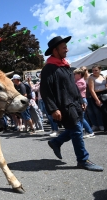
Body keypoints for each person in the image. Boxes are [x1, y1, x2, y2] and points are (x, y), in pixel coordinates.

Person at [40, 35, 103, 171]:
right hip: (64, 106)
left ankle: (56, 142)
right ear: (55, 50)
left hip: (75, 103)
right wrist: (53, 109)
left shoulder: (66, 66)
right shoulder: (49, 68)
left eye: (66, 47)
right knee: (77, 131)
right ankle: (83, 160)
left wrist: (81, 99)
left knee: (76, 129)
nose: (67, 50)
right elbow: (45, 91)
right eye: (64, 48)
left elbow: (73, 86)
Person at [73, 68, 95, 139]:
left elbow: (75, 91)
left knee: (81, 118)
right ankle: (88, 131)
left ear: (79, 75)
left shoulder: (80, 82)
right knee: (81, 118)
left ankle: (89, 132)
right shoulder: (76, 81)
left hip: (82, 100)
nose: (73, 75)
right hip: (80, 100)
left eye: (75, 74)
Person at [88, 65, 107, 133]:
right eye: (93, 70)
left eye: (96, 70)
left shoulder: (102, 76)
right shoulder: (91, 78)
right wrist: (97, 100)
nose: (94, 72)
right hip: (98, 96)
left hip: (105, 94)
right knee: (105, 112)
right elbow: (91, 90)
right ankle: (105, 128)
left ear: (100, 70)